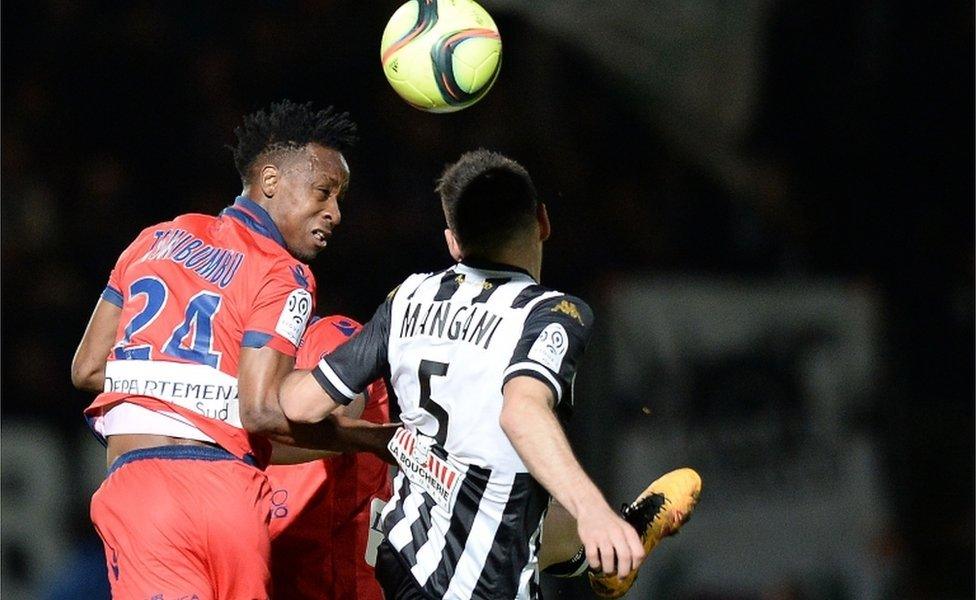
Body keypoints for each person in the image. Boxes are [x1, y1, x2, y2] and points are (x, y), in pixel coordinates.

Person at [278, 149, 701, 599]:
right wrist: (593, 508)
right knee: (505, 483)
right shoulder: (551, 314)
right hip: (475, 587)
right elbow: (521, 414)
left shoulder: (408, 296)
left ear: (453, 242)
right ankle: (609, 537)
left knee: (496, 481)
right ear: (542, 221)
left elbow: (299, 406)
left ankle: (599, 545)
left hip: (400, 563)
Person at [70, 99, 395, 599]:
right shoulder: (283, 273)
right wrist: (373, 440)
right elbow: (262, 412)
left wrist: (165, 392)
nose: (335, 212)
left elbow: (88, 368)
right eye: (324, 192)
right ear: (270, 181)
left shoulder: (152, 241)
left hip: (145, 494)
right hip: (232, 497)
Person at [266, 314, 392, 600]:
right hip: (270, 559)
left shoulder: (332, 333)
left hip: (334, 568)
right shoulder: (241, 349)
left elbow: (338, 411)